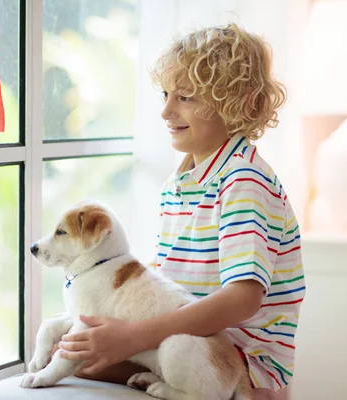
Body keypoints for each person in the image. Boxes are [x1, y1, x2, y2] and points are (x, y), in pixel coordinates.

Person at [56, 23, 305, 400]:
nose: (166, 111)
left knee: (84, 356)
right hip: (189, 341)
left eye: (186, 97)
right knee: (76, 345)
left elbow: (243, 298)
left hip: (241, 365)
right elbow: (172, 276)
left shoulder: (243, 182)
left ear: (241, 103)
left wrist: (136, 335)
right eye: (166, 94)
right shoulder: (186, 179)